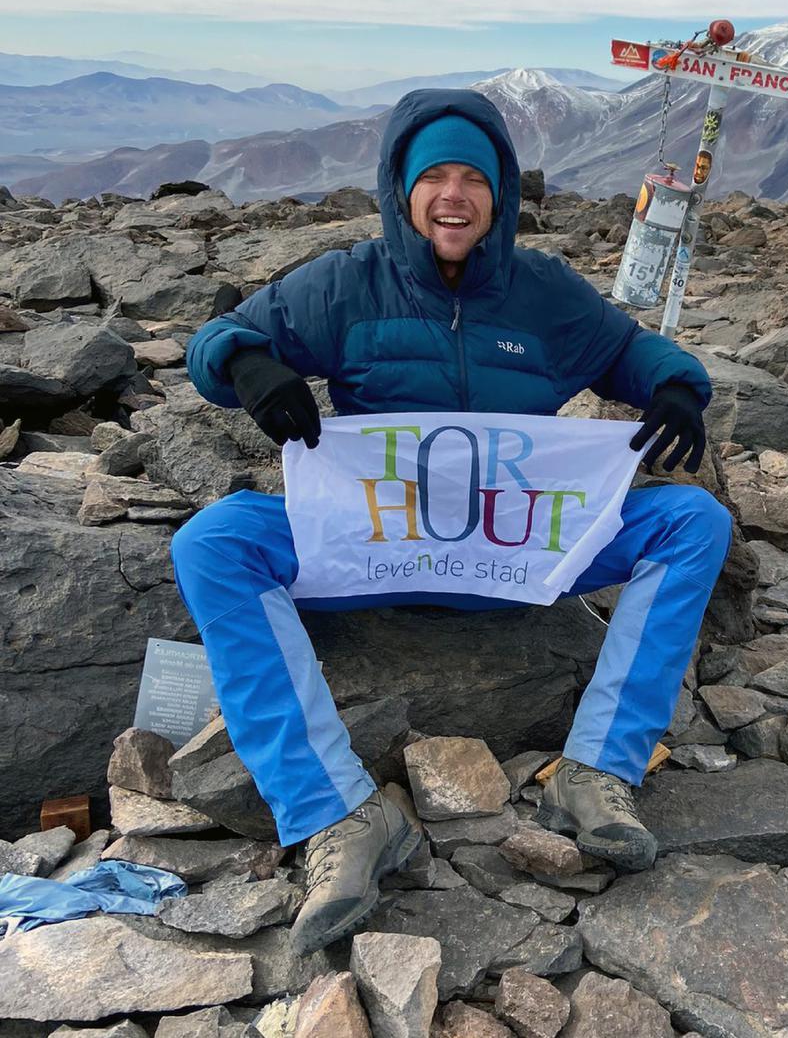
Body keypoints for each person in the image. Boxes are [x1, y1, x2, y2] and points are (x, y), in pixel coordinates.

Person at [171, 88, 732, 956]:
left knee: (690, 521)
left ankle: (597, 773)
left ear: (501, 194)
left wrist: (674, 382)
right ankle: (337, 817)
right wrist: (246, 363)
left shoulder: (541, 291)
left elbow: (624, 348)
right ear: (402, 189)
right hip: (377, 548)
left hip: (521, 548)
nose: (454, 195)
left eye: (474, 176)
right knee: (215, 542)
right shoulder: (344, 283)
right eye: (434, 175)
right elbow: (220, 341)